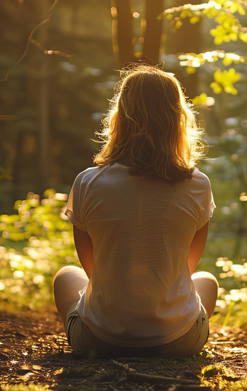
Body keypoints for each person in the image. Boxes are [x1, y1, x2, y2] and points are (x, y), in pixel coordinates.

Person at [53, 65, 219, 357]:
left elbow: (93, 269)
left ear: (120, 118)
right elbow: (187, 266)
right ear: (178, 119)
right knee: (206, 280)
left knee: (66, 275)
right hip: (179, 342)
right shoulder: (198, 185)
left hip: (99, 341)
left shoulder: (87, 182)